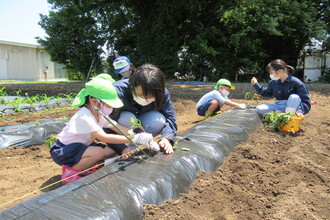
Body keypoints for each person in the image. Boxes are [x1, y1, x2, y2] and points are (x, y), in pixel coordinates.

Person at [50, 75, 158, 184]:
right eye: (108, 104)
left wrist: (140, 136)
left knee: (111, 151)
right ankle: (70, 172)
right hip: (64, 150)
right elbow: (104, 137)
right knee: (97, 152)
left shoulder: (99, 113)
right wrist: (134, 139)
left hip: (81, 146)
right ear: (94, 102)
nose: (111, 108)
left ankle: (85, 166)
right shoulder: (84, 116)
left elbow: (117, 127)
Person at [110, 64, 177, 154]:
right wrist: (121, 148)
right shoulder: (117, 92)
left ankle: (134, 145)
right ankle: (124, 145)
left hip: (142, 125)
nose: (146, 99)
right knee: (128, 118)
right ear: (132, 86)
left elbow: (170, 117)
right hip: (121, 127)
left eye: (151, 96)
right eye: (142, 95)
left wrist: (167, 138)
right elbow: (107, 123)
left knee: (159, 120)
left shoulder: (162, 93)